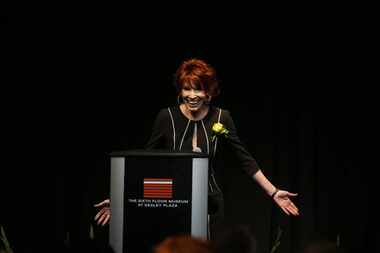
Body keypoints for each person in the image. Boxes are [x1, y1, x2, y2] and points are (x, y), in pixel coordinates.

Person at [94, 58, 299, 235]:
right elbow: (146, 163)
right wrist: (118, 198)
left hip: (210, 202)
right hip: (172, 200)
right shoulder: (166, 117)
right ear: (180, 90)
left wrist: (273, 192)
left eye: (198, 89)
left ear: (208, 91)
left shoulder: (222, 117)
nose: (192, 95)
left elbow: (245, 160)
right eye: (187, 88)